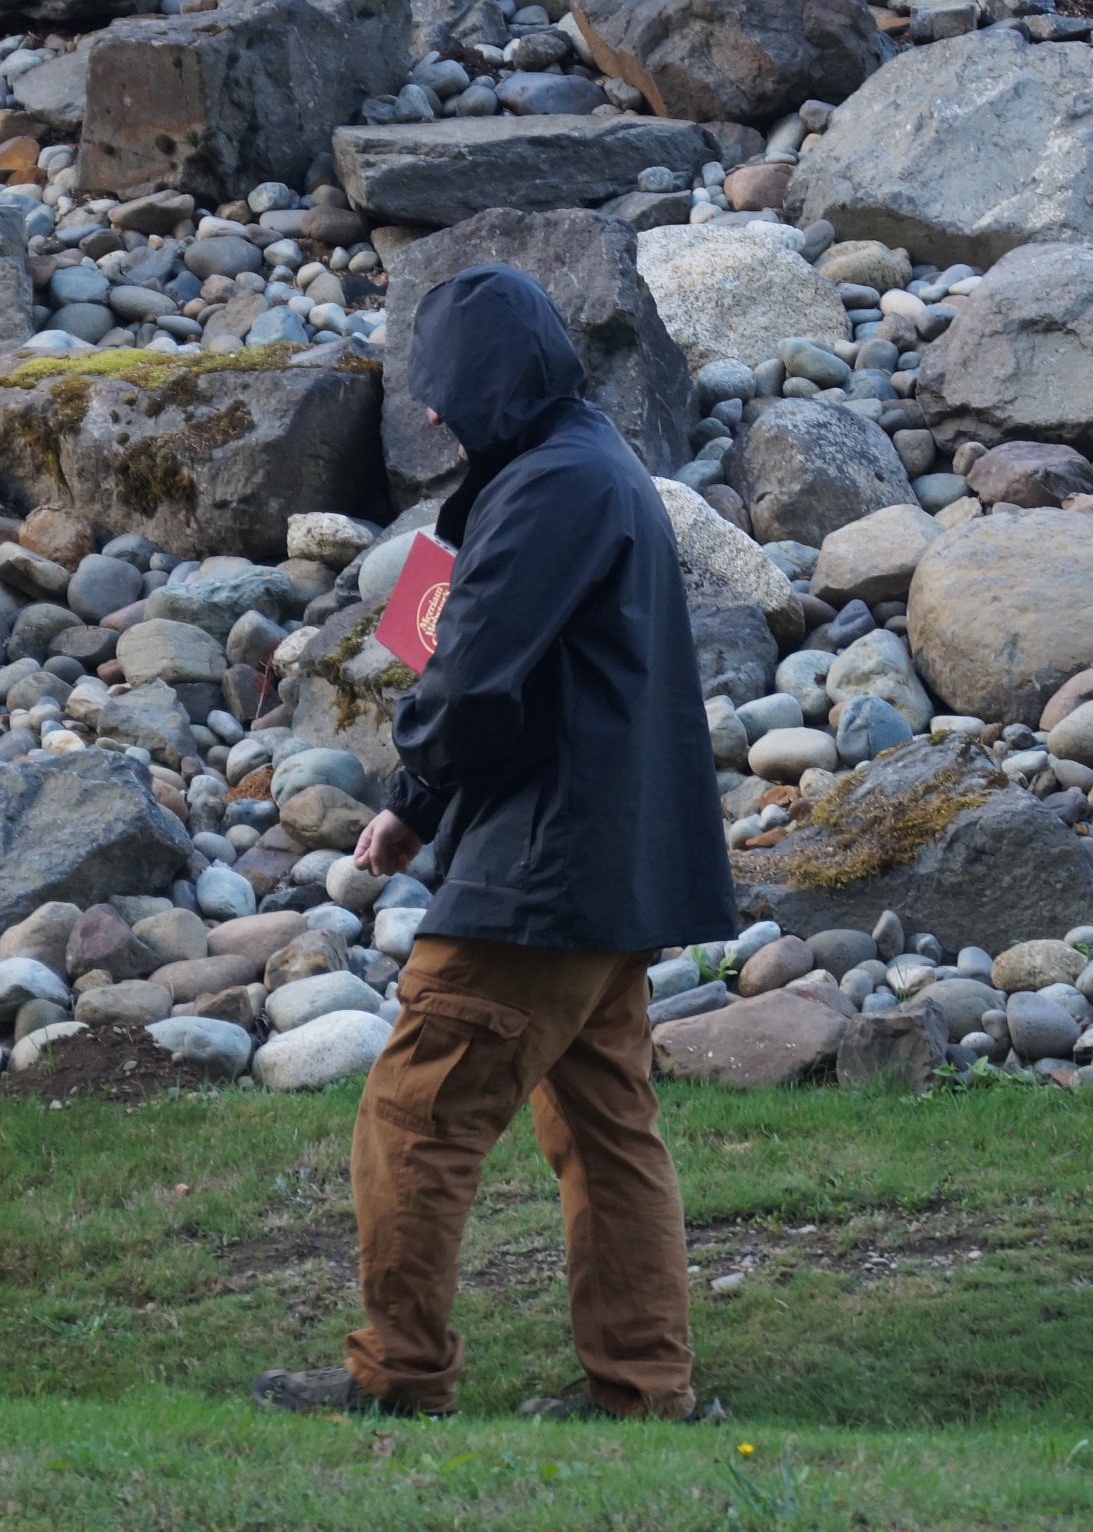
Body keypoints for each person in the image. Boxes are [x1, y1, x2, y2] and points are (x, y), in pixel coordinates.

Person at [252, 264, 739, 1423]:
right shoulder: (590, 462)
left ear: (488, 386)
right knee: (606, 1127)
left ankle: (398, 1373)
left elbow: (470, 684)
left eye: (445, 389)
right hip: (609, 865)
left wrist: (415, 763)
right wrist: (418, 806)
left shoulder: (549, 487)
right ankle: (643, 1388)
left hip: (542, 871)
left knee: (413, 1117)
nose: (431, 410)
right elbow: (535, 674)